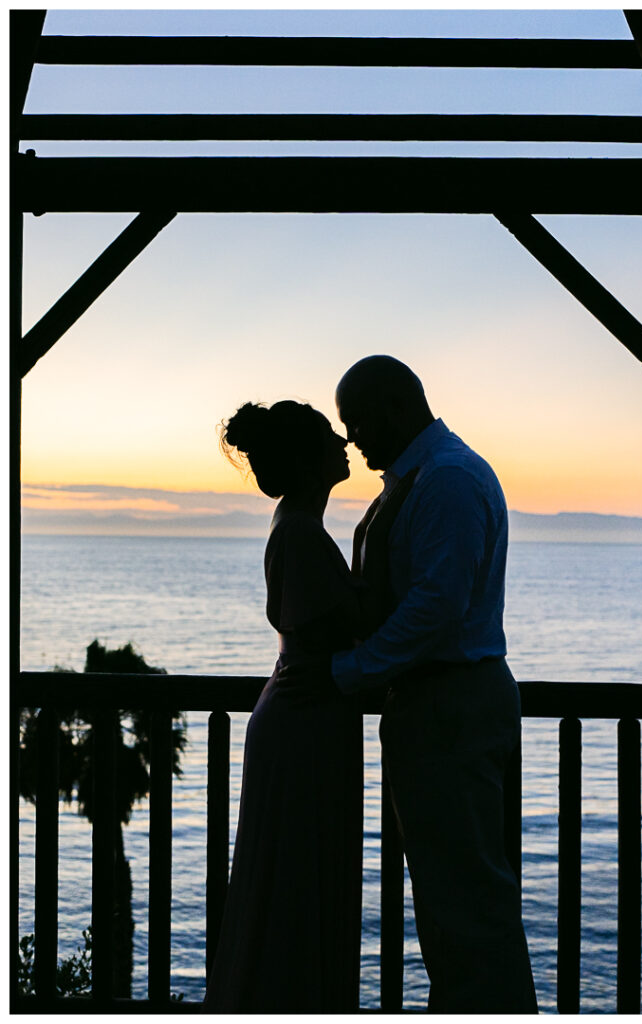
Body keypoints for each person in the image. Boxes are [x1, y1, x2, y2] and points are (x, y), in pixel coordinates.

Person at [280, 355, 538, 1013]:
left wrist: (343, 674)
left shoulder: (445, 482)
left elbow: (434, 608)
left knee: (466, 904)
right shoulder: (421, 477)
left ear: (395, 406)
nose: (352, 437)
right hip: (435, 706)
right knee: (451, 898)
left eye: (357, 420)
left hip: (449, 704)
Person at [203, 400, 364, 1013]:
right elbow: (346, 629)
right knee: (297, 877)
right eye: (328, 436)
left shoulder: (297, 525)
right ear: (305, 460)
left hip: (304, 712)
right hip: (306, 720)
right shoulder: (299, 533)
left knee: (294, 874)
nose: (343, 442)